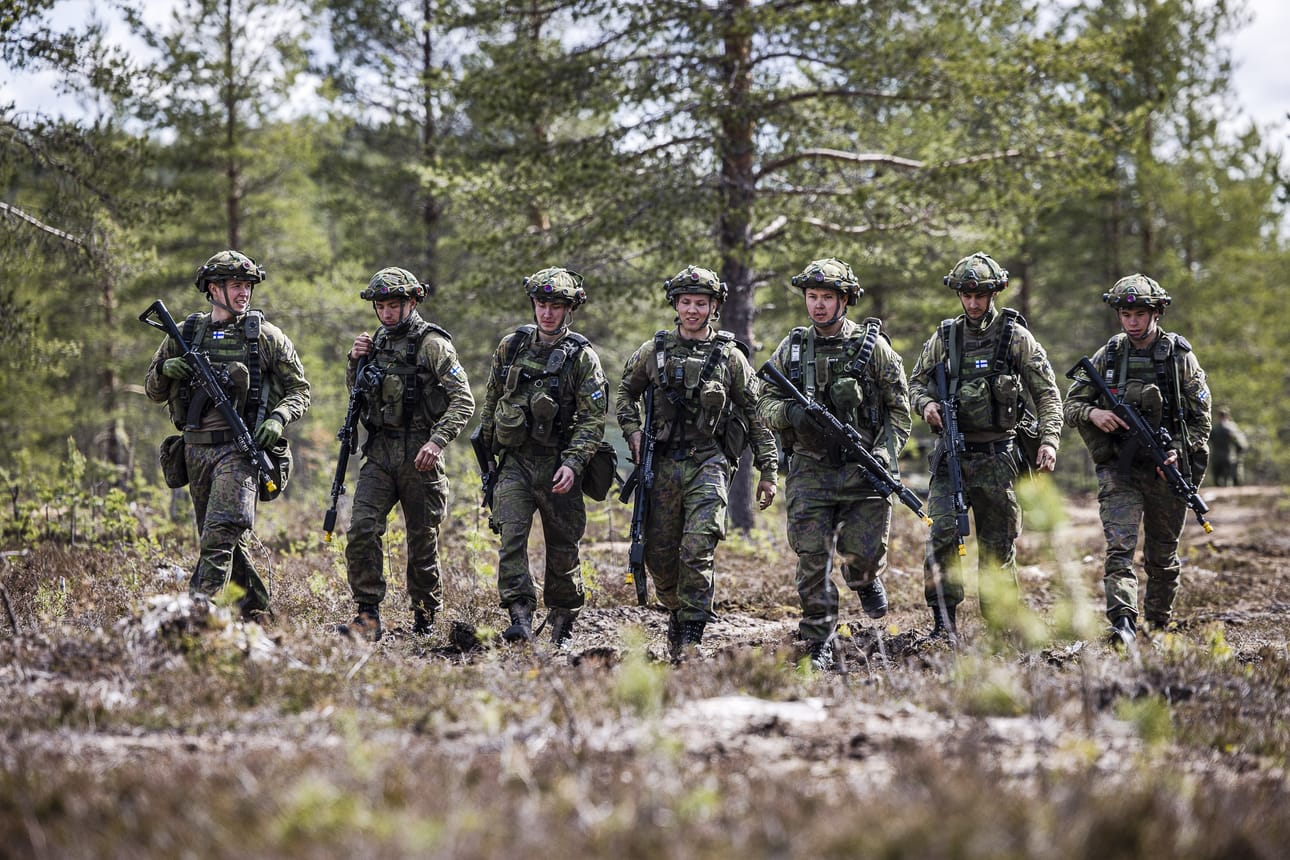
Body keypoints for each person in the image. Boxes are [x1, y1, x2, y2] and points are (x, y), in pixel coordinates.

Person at [756, 258, 912, 670]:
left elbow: (899, 412)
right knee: (812, 559)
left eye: (827, 297)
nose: (819, 305)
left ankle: (864, 579)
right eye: (812, 297)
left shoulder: (873, 349)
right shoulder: (792, 349)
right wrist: (790, 414)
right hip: (810, 469)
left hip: (864, 470)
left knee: (863, 557)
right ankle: (818, 640)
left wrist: (884, 456)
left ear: (845, 300)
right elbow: (763, 401)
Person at [616, 264, 778, 660]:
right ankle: (676, 608)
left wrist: (768, 470)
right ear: (675, 304)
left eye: (701, 303)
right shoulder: (653, 352)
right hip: (662, 463)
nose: (692, 310)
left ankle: (692, 633)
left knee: (698, 545)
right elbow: (625, 394)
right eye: (686, 302)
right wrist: (633, 432)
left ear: (714, 307)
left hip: (709, 461)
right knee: (658, 556)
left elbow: (756, 414)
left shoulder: (730, 357)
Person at [145, 250, 311, 622]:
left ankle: (194, 616)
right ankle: (256, 613)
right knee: (222, 541)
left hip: (239, 451)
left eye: (248, 286)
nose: (244, 293)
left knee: (220, 533)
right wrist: (166, 370)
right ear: (213, 288)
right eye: (236, 285)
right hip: (195, 452)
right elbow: (153, 392)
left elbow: (300, 390)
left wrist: (278, 418)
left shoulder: (265, 336)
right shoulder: (186, 332)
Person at [907, 252, 1062, 642]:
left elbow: (1047, 394)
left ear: (995, 293)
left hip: (999, 458)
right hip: (952, 457)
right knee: (942, 536)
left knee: (998, 545)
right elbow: (915, 383)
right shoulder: (945, 338)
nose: (973, 303)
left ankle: (999, 628)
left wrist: (1049, 440)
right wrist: (925, 405)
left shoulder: (1015, 337)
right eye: (967, 295)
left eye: (980, 295)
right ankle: (943, 624)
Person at [1064, 274, 1211, 646]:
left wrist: (1178, 449)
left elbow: (1201, 421)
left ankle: (1157, 625)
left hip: (1167, 469)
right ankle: (1123, 624)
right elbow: (1072, 405)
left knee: (1162, 555)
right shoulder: (1109, 355)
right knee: (1120, 549)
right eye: (1126, 314)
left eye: (1140, 314)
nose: (1132, 322)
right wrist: (1094, 414)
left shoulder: (1179, 357)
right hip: (1120, 469)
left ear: (1156, 313)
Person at [338, 267, 475, 642]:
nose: (386, 313)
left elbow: (463, 400)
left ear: (412, 302)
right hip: (380, 452)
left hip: (420, 453)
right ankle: (367, 615)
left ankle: (425, 617)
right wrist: (354, 361)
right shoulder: (375, 343)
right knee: (362, 529)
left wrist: (437, 441)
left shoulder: (432, 344)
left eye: (394, 305)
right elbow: (358, 394)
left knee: (421, 540)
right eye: (380, 306)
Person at [474, 267, 608, 645]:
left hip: (558, 463)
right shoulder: (512, 346)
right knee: (511, 537)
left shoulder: (582, 358)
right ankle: (519, 615)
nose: (547, 313)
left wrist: (574, 462)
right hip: (515, 462)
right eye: (542, 304)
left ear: (570, 309)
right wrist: (489, 460)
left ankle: (563, 624)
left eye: (556, 306)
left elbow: (593, 419)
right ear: (533, 304)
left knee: (563, 549)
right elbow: (492, 401)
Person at [1209, 407, 1248, 487]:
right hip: (1229, 457)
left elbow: (1209, 440)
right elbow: (1239, 443)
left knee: (1217, 481)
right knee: (1228, 481)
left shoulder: (1214, 428)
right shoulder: (1232, 428)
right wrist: (1239, 452)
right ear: (1227, 416)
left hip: (1216, 457)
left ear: (1218, 416)